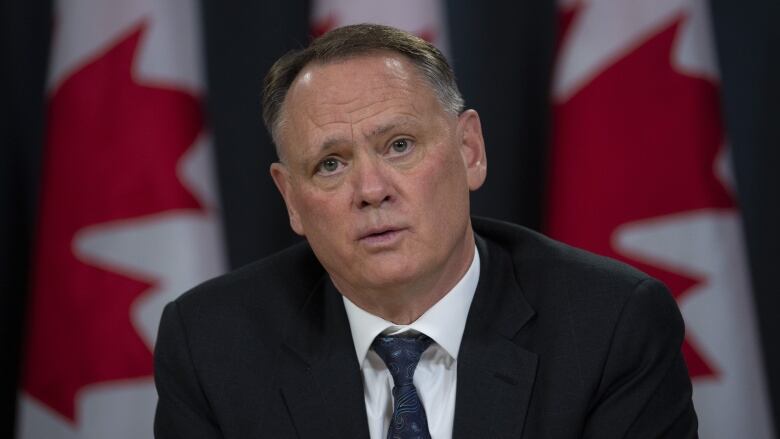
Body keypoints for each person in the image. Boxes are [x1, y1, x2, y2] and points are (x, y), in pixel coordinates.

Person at [153, 23, 697, 439]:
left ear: (470, 151)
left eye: (399, 146)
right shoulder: (212, 343)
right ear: (292, 199)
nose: (371, 189)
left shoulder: (609, 326)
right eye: (331, 164)